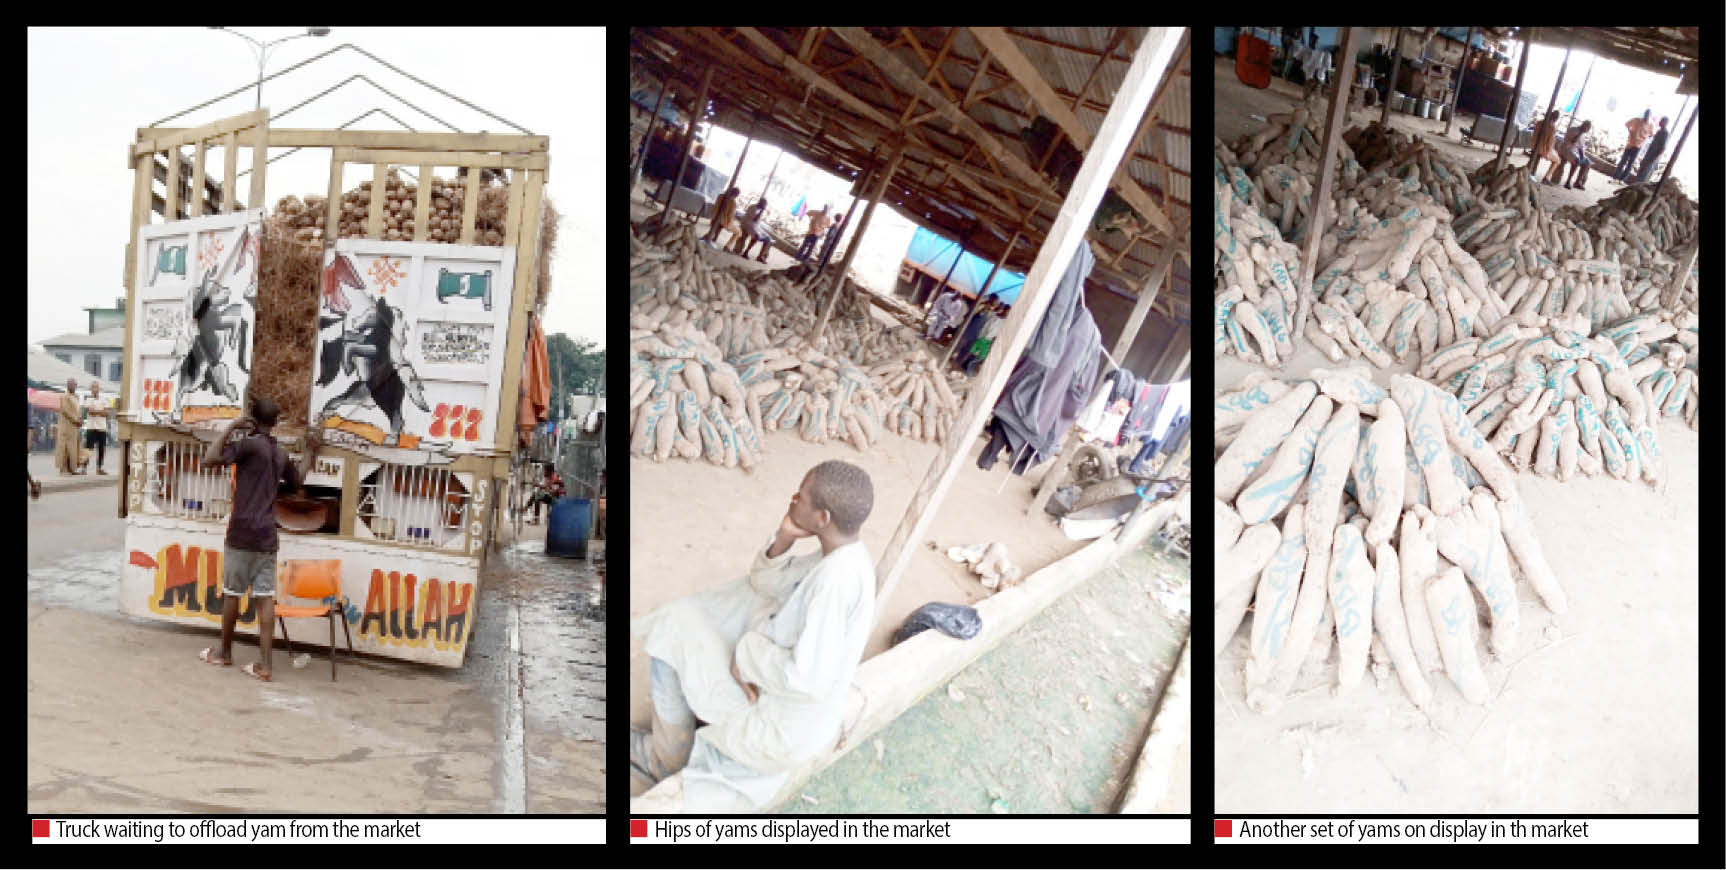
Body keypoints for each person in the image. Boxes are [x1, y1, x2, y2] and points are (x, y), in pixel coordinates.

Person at [631, 460, 876, 810]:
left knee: (670, 630)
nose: (793, 499)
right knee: (690, 615)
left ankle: (665, 761)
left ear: (822, 519)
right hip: (775, 699)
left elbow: (805, 677)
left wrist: (744, 655)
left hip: (775, 728)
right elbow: (763, 584)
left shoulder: (834, 583)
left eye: (801, 496)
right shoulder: (840, 558)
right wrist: (784, 537)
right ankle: (674, 745)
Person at [195, 397, 320, 681]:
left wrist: (231, 427)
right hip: (267, 536)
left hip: (240, 533)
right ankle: (265, 665)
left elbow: (209, 458)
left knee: (232, 594)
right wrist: (311, 452)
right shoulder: (280, 454)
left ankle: (224, 653)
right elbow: (298, 481)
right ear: (274, 423)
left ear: (251, 419)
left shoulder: (249, 445)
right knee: (265, 601)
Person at [1544, 120, 1592, 189]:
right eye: (1587, 129)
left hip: (1575, 152)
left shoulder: (1583, 134)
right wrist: (1580, 133)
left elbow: (1581, 147)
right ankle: (1568, 181)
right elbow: (1573, 141)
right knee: (1577, 161)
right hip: (1566, 149)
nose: (1587, 131)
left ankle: (1578, 182)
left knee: (1588, 163)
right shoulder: (1573, 130)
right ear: (1584, 126)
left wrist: (1582, 156)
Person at [1613, 110, 1653, 183]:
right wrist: (1630, 131)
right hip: (1630, 143)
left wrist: (1644, 137)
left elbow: (1651, 134)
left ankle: (1622, 179)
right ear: (1644, 114)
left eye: (1648, 115)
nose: (1646, 116)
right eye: (1646, 114)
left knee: (1630, 164)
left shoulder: (1650, 125)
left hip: (1638, 146)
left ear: (1650, 116)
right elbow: (1627, 124)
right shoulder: (1637, 120)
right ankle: (1615, 177)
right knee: (1623, 161)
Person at [81, 381, 112, 475]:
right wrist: (100, 411)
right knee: (88, 448)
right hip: (91, 427)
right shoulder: (88, 400)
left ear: (99, 389)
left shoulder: (104, 400)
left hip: (102, 428)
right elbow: (89, 412)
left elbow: (107, 413)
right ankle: (84, 468)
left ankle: (99, 468)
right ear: (91, 389)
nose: (95, 389)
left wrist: (96, 411)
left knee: (102, 449)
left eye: (96, 387)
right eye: (93, 387)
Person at [54, 378, 83, 476]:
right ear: (67, 386)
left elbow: (78, 411)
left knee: (73, 448)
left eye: (74, 384)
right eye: (70, 384)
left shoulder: (76, 397)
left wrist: (80, 419)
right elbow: (65, 411)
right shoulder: (64, 396)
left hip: (74, 427)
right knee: (64, 448)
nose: (72, 386)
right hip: (66, 426)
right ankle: (63, 469)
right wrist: (76, 420)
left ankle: (72, 468)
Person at [1633, 116, 1670, 185]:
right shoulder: (1659, 131)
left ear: (1665, 123)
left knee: (1644, 175)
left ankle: (1636, 189)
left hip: (1652, 158)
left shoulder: (1665, 133)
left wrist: (1654, 159)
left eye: (1662, 121)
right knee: (1640, 172)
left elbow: (1663, 148)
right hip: (1648, 156)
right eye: (1660, 120)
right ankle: (1633, 188)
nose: (1660, 122)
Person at [1528, 110, 1561, 179]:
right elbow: (1549, 143)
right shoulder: (1552, 127)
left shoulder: (1539, 122)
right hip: (1543, 149)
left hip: (1534, 145)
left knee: (1554, 153)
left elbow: (1533, 135)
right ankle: (1547, 177)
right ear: (1556, 119)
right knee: (1558, 160)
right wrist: (1548, 152)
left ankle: (1530, 172)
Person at [27, 398, 40, 500]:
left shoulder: (29, 405)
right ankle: (33, 485)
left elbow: (30, 426)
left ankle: (34, 485)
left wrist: (29, 442)